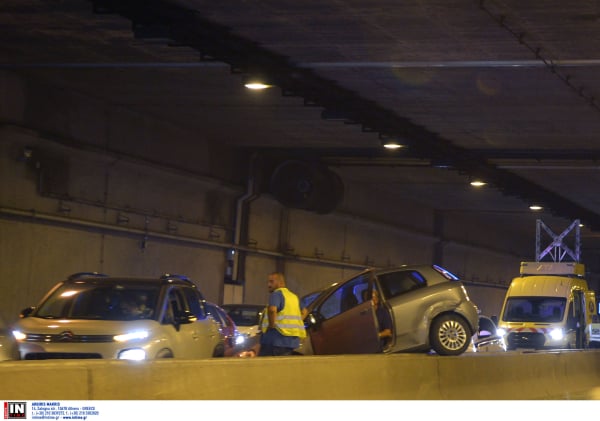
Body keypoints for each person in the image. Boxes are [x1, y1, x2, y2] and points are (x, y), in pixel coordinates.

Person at [259, 272, 306, 356]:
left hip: (275, 340)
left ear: (281, 282)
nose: (268, 284)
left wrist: (272, 325)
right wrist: (294, 322)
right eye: (268, 282)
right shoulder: (294, 297)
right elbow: (305, 312)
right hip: (291, 341)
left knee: (268, 367)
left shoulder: (276, 294)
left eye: (271, 282)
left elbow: (272, 310)